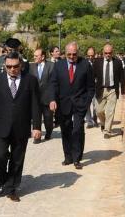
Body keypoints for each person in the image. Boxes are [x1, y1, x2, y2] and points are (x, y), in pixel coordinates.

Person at [0, 51, 41, 202]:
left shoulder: (31, 80)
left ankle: (11, 188)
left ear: (21, 65)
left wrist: (36, 126)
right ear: (5, 66)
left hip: (21, 127)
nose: (12, 69)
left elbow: (36, 105)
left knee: (17, 159)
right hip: (1, 126)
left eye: (15, 66)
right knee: (0, 156)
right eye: (9, 67)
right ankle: (2, 177)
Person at [49, 41, 95, 170]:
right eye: (69, 54)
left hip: (80, 103)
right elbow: (53, 84)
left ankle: (77, 158)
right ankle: (68, 156)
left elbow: (91, 87)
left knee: (78, 129)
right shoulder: (58, 65)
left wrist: (86, 102)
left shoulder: (85, 65)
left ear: (78, 53)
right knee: (66, 129)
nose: (71, 56)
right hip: (63, 103)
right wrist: (52, 99)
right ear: (65, 53)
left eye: (74, 54)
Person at [93, 44, 125, 138]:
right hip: (101, 90)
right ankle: (103, 123)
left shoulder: (118, 63)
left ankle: (107, 131)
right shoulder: (97, 62)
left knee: (110, 111)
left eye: (109, 53)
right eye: (106, 53)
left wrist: (123, 92)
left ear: (112, 52)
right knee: (98, 111)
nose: (108, 55)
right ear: (103, 53)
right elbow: (92, 76)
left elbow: (122, 78)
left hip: (112, 90)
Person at [29, 48, 54, 143]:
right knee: (36, 118)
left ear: (43, 56)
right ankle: (37, 136)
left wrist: (53, 98)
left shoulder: (51, 66)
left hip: (47, 98)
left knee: (48, 118)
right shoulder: (31, 67)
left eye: (36, 56)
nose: (34, 57)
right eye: (34, 55)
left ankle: (48, 131)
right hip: (35, 98)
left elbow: (53, 83)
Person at [85, 47, 98, 129]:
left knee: (96, 105)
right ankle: (89, 121)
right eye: (89, 55)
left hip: (96, 87)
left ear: (94, 55)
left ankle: (95, 118)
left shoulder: (98, 63)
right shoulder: (84, 63)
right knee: (86, 105)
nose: (90, 57)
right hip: (86, 88)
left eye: (92, 55)